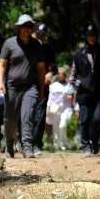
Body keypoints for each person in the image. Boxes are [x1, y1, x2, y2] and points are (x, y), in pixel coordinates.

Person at [0, 15, 46, 158]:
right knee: (10, 119)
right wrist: (0, 83)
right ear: (19, 28)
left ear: (31, 29)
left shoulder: (37, 45)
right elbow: (1, 65)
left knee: (28, 114)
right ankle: (10, 143)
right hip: (12, 87)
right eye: (24, 26)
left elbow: (42, 68)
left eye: (29, 26)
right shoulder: (9, 43)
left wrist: (41, 87)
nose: (26, 29)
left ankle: (27, 147)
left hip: (30, 86)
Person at [67, 24, 100, 157]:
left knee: (97, 119)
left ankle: (95, 141)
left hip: (98, 93)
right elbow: (73, 73)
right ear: (86, 37)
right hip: (83, 93)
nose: (92, 37)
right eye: (89, 35)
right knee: (84, 119)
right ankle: (86, 146)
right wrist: (70, 89)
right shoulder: (78, 54)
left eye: (94, 35)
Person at [32, 23, 57, 154]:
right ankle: (24, 141)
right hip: (27, 85)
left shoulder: (48, 49)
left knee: (40, 115)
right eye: (38, 34)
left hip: (42, 86)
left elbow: (54, 67)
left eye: (43, 35)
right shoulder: (27, 46)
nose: (40, 36)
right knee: (26, 113)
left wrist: (50, 73)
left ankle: (36, 143)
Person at [47, 67, 73, 149]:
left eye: (63, 74)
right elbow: (50, 98)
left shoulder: (69, 86)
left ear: (65, 75)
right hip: (55, 108)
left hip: (66, 108)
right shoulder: (53, 86)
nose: (61, 75)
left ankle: (64, 142)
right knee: (55, 127)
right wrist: (48, 109)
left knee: (62, 125)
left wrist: (76, 108)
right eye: (59, 74)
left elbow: (73, 98)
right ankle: (56, 143)